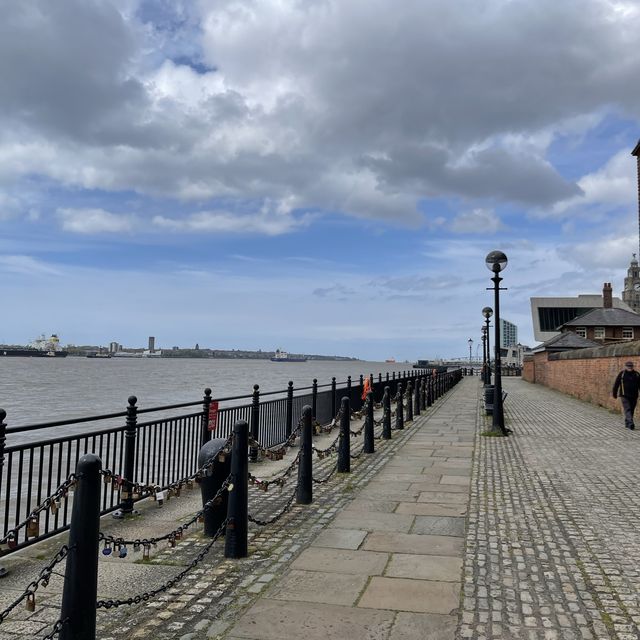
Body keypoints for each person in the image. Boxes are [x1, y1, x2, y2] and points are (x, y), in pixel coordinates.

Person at [612, 361, 640, 429]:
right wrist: (614, 393)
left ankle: (627, 423)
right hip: (624, 396)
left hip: (634, 395)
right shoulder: (622, 374)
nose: (629, 367)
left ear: (633, 367)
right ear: (626, 367)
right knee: (628, 409)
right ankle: (631, 423)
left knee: (632, 409)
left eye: (631, 366)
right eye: (628, 366)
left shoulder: (637, 374)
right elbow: (616, 384)